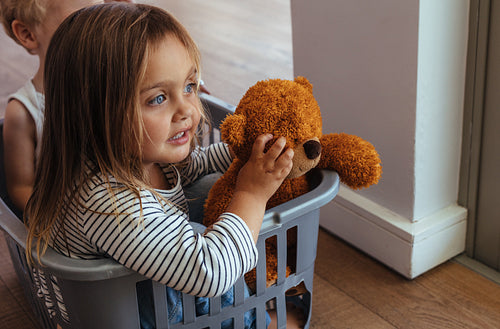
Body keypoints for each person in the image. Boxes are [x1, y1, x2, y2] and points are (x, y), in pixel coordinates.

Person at [24, 3, 302, 328]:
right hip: (137, 317)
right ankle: (257, 323)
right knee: (205, 236)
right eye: (157, 98)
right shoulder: (108, 204)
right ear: (94, 115)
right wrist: (252, 194)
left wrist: (245, 153)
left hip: (148, 286)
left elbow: (193, 168)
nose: (187, 109)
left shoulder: (128, 155)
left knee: (204, 187)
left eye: (189, 86)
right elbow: (210, 272)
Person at [0, 0, 137, 213]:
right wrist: (57, 227)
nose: (99, 27)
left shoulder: (117, 84)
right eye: (81, 19)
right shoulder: (24, 112)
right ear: (27, 34)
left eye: (100, 12)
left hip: (137, 207)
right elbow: (21, 187)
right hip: (72, 229)